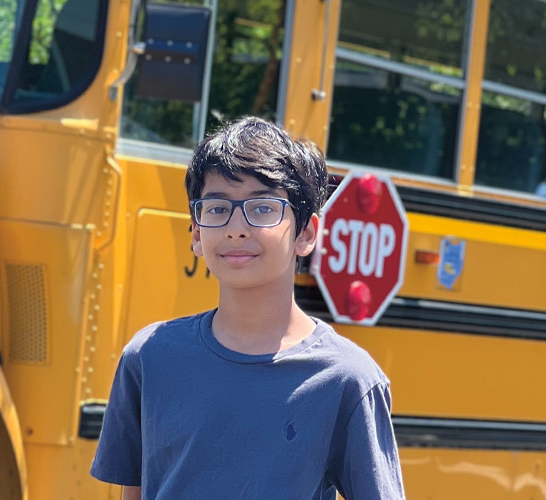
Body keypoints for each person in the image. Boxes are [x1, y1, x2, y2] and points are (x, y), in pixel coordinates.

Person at [90, 116, 405, 499]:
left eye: (262, 207)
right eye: (217, 208)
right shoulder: (149, 357)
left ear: (306, 233)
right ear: (195, 232)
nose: (236, 228)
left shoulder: (346, 379)